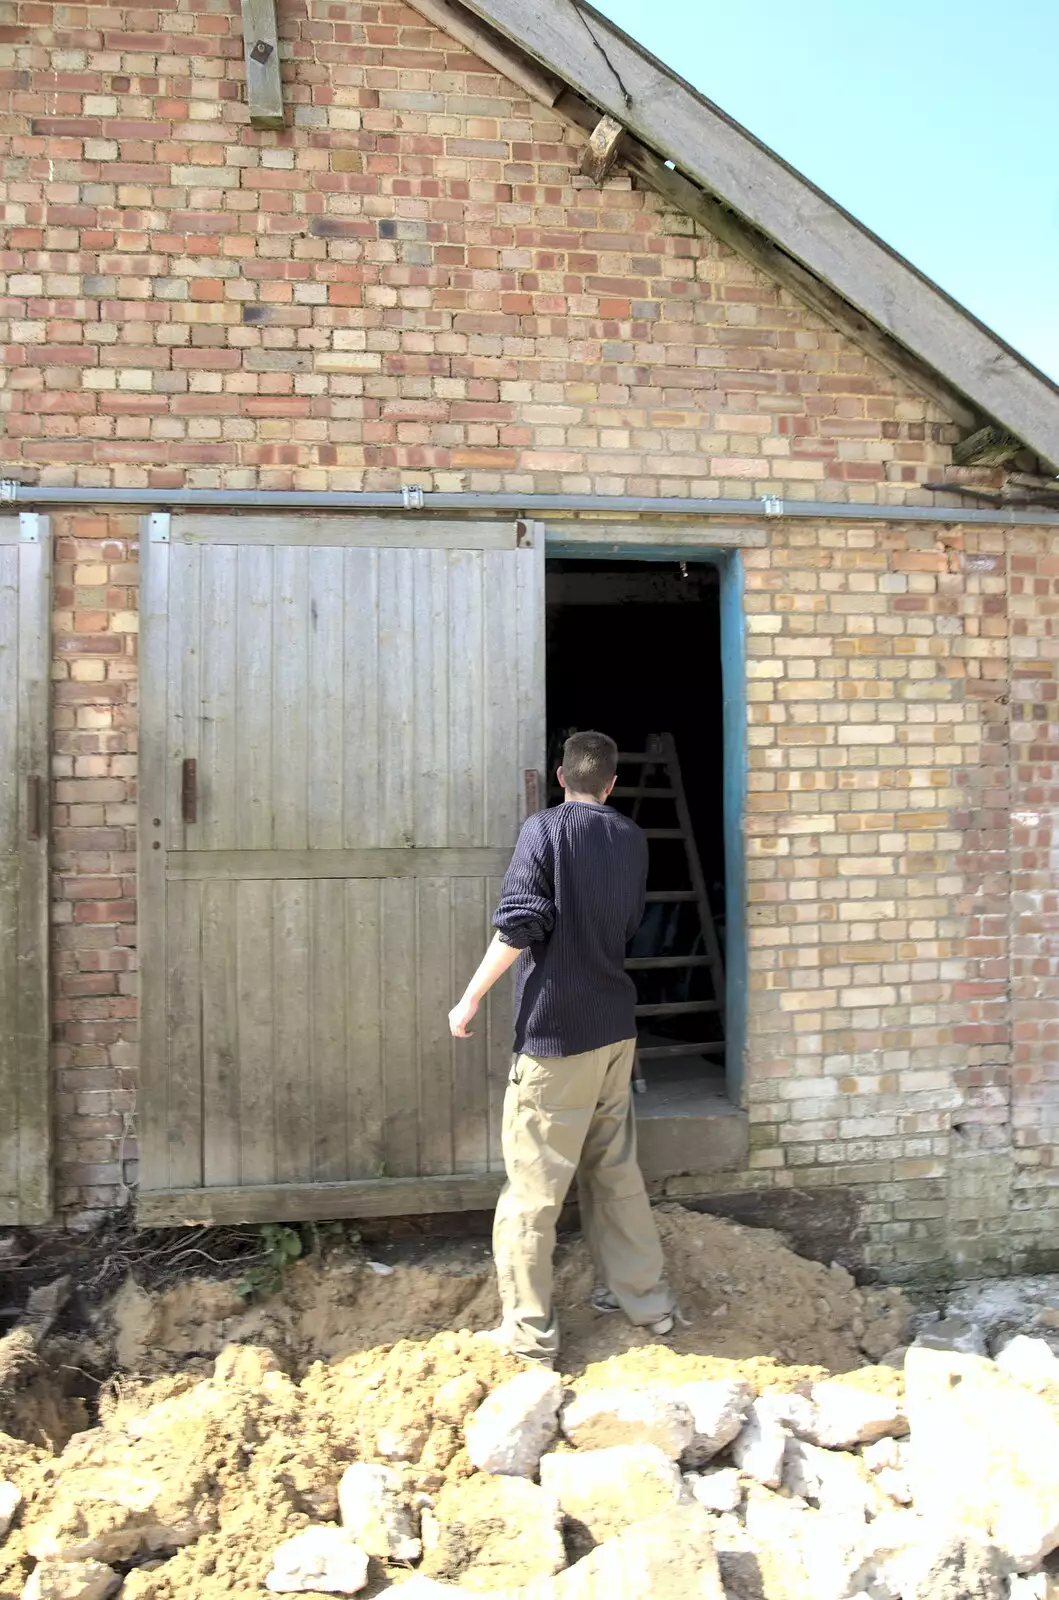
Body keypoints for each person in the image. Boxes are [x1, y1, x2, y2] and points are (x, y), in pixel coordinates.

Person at [448, 729, 675, 1364]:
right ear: (610, 783)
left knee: (532, 1191)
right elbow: (625, 924)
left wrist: (468, 998)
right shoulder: (631, 840)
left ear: (559, 777)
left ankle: (528, 1335)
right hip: (615, 1033)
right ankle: (647, 1304)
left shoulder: (544, 832)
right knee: (616, 1173)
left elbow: (520, 923)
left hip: (557, 1040)